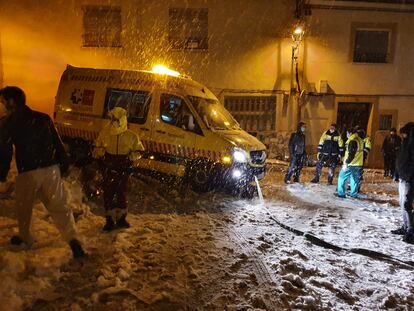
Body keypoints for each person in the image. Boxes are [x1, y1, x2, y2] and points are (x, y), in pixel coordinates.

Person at [0, 86, 86, 258]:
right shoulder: (43, 118)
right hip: (51, 169)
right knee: (59, 206)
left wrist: (2, 173)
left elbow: (5, 151)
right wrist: (63, 164)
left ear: (11, 102)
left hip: (28, 171)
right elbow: (57, 143)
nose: (1, 105)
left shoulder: (6, 123)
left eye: (2, 101)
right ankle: (73, 239)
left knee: (24, 206)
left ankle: (25, 236)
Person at [93, 107, 144, 232]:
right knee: (109, 193)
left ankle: (121, 219)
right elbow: (97, 147)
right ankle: (109, 220)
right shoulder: (105, 133)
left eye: (116, 119)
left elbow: (139, 151)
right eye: (112, 119)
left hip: (123, 169)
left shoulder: (131, 136)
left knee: (121, 192)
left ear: (122, 120)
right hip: (109, 168)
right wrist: (99, 152)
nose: (113, 122)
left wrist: (131, 157)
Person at [392, 122, 414, 244]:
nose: (402, 136)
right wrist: (397, 172)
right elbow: (400, 159)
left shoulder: (412, 144)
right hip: (402, 177)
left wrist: (409, 175)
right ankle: (405, 226)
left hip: (409, 179)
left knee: (407, 204)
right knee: (402, 203)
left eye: (404, 134)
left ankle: (411, 230)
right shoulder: (405, 144)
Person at [336, 127, 364, 198]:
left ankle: (341, 193)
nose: (347, 135)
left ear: (350, 133)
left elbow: (351, 154)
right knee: (354, 179)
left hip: (350, 164)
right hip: (358, 164)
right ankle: (353, 194)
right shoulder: (360, 139)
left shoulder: (352, 141)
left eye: (347, 133)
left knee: (341, 177)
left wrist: (346, 163)